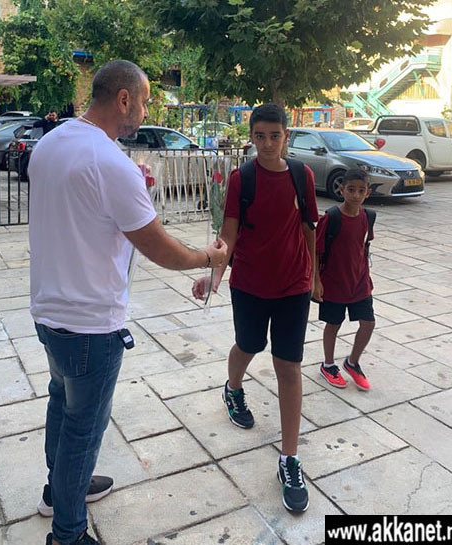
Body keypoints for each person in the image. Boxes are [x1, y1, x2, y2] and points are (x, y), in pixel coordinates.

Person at [28, 59, 227, 545]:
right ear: (123, 99)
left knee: (61, 403)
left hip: (49, 312)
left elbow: (83, 205)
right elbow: (161, 249)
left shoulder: (51, 143)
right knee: (83, 430)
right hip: (91, 325)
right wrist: (209, 256)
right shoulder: (111, 164)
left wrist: (131, 183)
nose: (146, 110)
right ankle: (68, 534)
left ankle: (60, 491)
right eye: (144, 100)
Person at [192, 103, 318, 513]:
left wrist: (315, 277)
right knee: (248, 345)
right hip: (249, 283)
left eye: (274, 136)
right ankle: (233, 388)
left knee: (289, 366)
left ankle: (289, 458)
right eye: (260, 136)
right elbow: (228, 233)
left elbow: (309, 229)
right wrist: (214, 276)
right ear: (251, 137)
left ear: (286, 136)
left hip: (293, 285)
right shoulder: (241, 178)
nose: (267, 144)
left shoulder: (302, 175)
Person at [313, 168, 376, 391]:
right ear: (341, 190)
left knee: (368, 323)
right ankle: (328, 365)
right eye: (351, 189)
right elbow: (316, 251)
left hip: (359, 282)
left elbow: (363, 246)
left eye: (361, 190)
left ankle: (352, 362)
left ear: (367, 192)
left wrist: (365, 276)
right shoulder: (331, 218)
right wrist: (316, 281)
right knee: (333, 324)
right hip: (334, 282)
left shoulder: (368, 217)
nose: (355, 195)